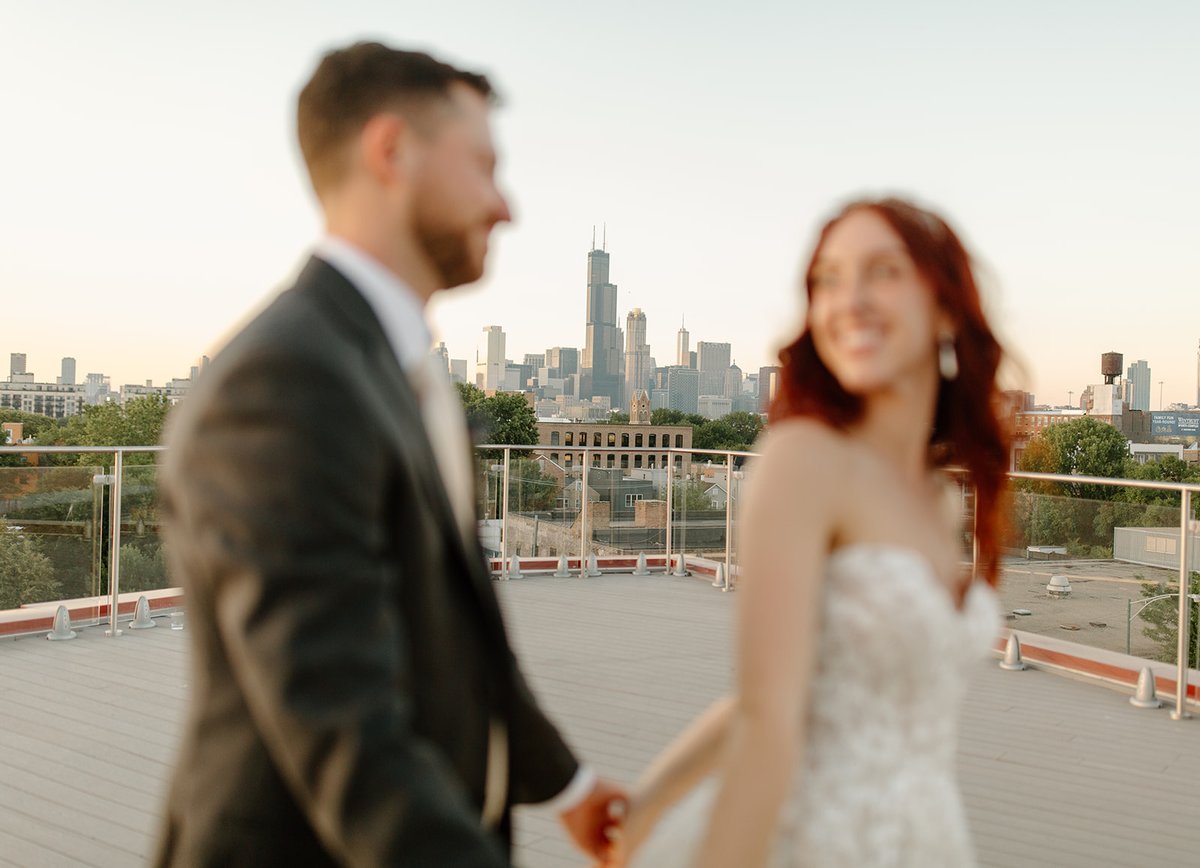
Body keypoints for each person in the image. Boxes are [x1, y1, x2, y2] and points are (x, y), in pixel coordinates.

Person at [153, 41, 622, 867]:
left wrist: (568, 785)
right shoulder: (283, 384)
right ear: (391, 151)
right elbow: (346, 735)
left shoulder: (391, 367)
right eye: (483, 165)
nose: (505, 205)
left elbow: (458, 638)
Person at [612, 197, 1011, 867]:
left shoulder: (939, 495)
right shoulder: (805, 458)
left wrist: (648, 799)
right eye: (827, 278)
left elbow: (797, 687)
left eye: (882, 271)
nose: (848, 299)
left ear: (946, 307)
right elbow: (769, 721)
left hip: (926, 836)